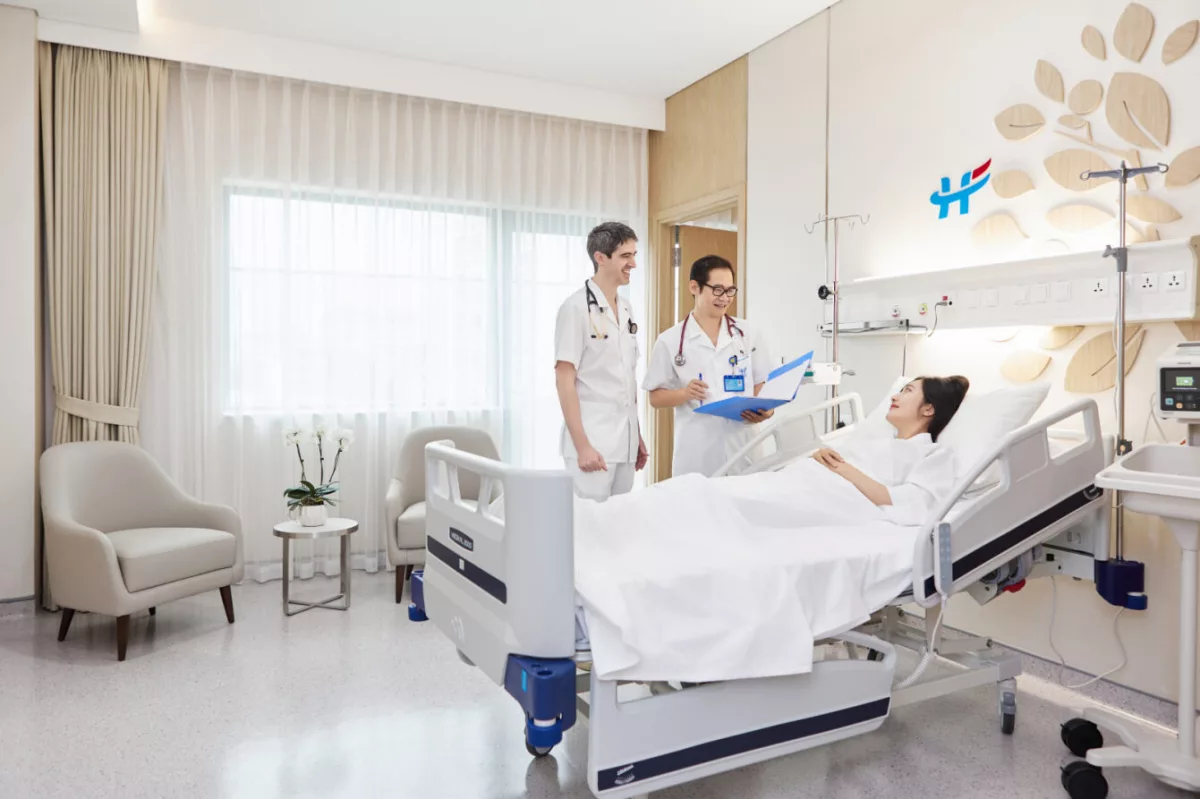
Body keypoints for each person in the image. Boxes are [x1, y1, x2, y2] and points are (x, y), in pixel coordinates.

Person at [643, 255, 774, 477]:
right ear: (694, 287)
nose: (725, 298)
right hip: (697, 451)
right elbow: (655, 398)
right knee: (699, 498)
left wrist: (766, 411)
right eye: (718, 290)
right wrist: (685, 393)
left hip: (744, 444)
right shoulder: (670, 340)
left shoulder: (747, 333)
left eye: (730, 290)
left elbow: (763, 382)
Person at [553, 222, 649, 501]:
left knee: (619, 523)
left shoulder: (627, 309)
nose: (633, 263)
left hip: (625, 445)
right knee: (590, 524)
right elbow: (564, 380)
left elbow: (627, 379)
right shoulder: (575, 308)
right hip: (593, 442)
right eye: (625, 256)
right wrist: (583, 446)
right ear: (600, 258)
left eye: (634, 255)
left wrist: (636, 436)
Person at [807, 375, 969, 521]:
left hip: (832, 499)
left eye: (908, 391)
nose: (894, 397)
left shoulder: (934, 453)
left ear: (928, 409)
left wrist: (842, 468)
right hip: (813, 482)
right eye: (900, 391)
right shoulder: (875, 441)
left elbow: (913, 504)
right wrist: (823, 457)